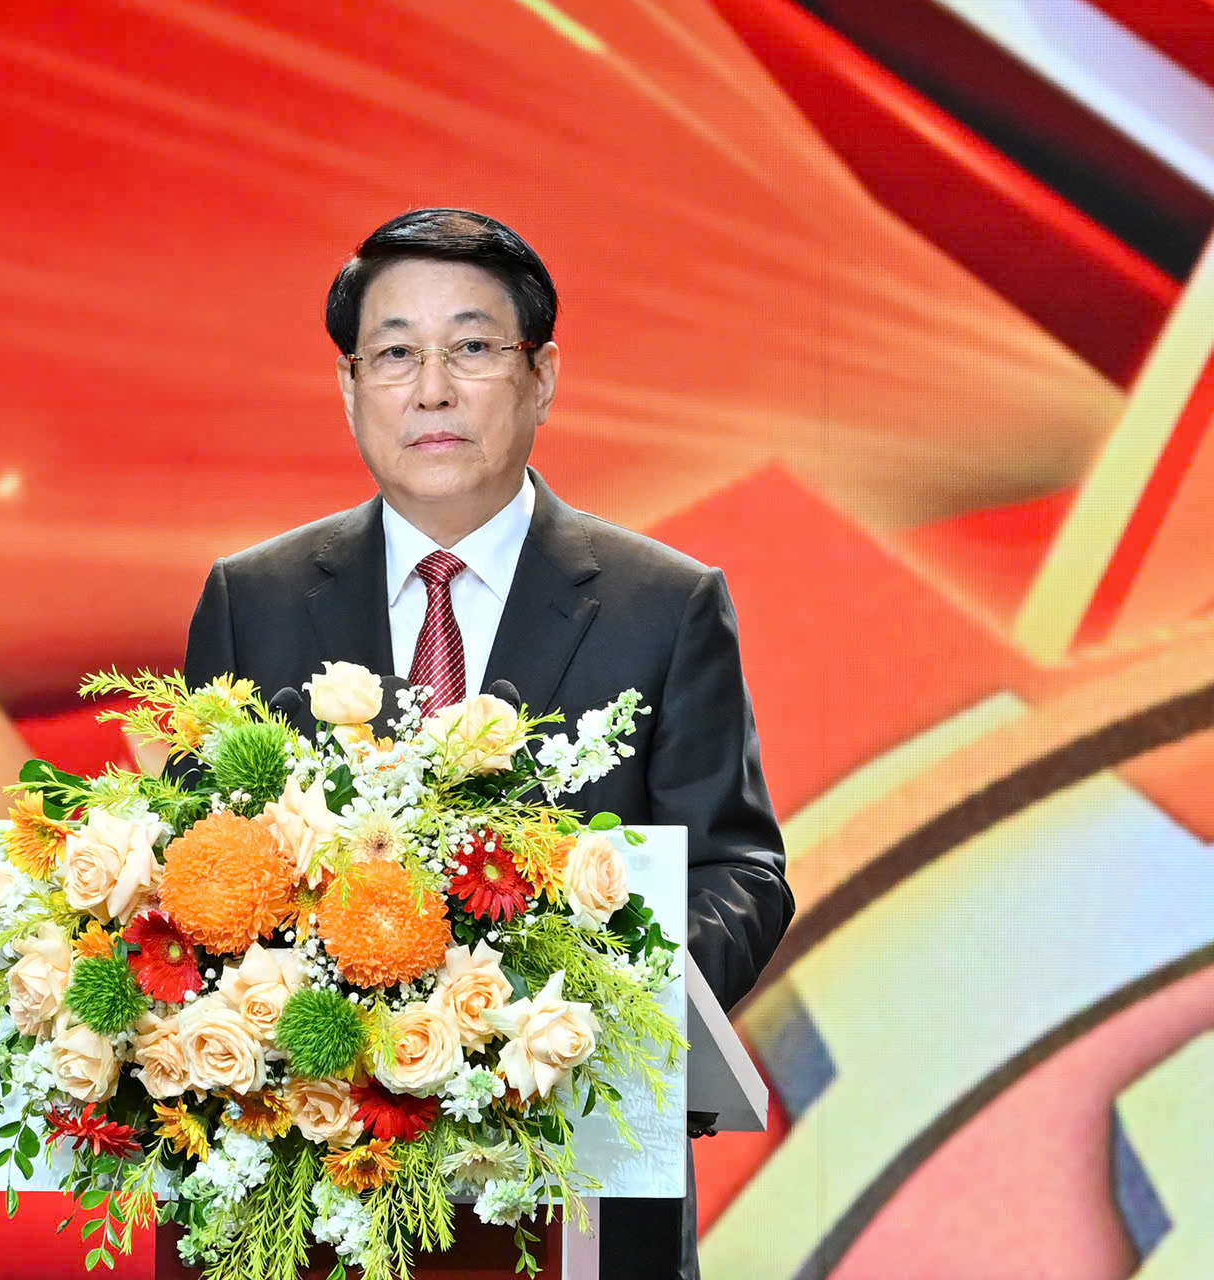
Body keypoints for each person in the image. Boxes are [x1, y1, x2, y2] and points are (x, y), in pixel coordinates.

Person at [183, 207, 792, 1279]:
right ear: (350, 387)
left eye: (471, 347)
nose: (432, 390)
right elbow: (197, 871)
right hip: (306, 1185)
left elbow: (741, 871)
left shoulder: (665, 604)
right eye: (394, 355)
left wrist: (582, 1001)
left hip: (579, 1183)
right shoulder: (254, 600)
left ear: (541, 374)